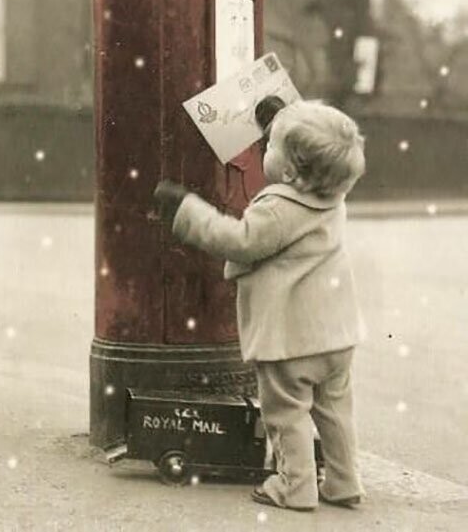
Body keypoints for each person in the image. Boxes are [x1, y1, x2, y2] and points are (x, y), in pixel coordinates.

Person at [154, 97, 366, 512]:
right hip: (337, 336)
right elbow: (319, 147)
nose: (263, 147)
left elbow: (238, 241)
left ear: (288, 171)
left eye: (270, 146)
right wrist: (282, 121)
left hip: (291, 340)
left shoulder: (278, 208)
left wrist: (186, 210)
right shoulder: (332, 200)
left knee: (286, 413)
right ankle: (344, 481)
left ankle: (295, 485)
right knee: (334, 409)